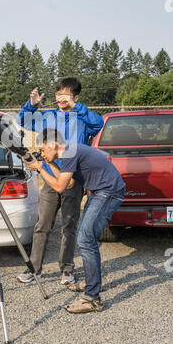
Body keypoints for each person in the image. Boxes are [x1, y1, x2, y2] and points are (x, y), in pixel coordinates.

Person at [24, 128, 125, 313]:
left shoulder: (71, 152)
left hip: (108, 193)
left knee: (86, 239)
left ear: (53, 144)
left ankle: (92, 298)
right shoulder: (68, 153)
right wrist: (50, 162)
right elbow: (69, 182)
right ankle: (92, 282)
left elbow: (60, 187)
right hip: (101, 192)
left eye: (43, 149)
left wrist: (39, 168)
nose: (42, 153)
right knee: (86, 238)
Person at [16, 77, 104, 285]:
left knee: (69, 225)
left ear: (75, 97)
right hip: (50, 177)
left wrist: (77, 108)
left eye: (65, 95)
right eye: (58, 94)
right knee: (43, 225)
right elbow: (22, 121)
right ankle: (34, 269)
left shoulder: (83, 117)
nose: (60, 98)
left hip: (74, 179)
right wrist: (32, 105)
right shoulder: (49, 116)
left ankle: (67, 270)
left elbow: (99, 123)